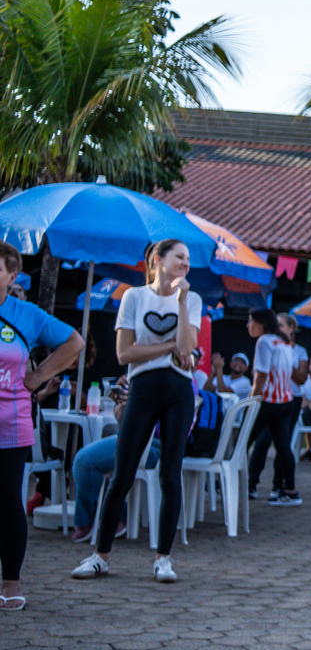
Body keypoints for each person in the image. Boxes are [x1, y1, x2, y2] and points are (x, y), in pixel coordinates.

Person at [70, 238, 203, 584]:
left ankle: (163, 559)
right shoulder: (134, 297)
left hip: (178, 392)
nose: (186, 263)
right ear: (158, 260)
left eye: (188, 258)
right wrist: (170, 347)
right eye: (180, 257)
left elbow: (188, 347)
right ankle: (100, 556)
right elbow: (125, 354)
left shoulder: (192, 299)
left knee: (170, 475)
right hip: (142, 390)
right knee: (122, 474)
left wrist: (182, 302)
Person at [0, 243, 83, 610]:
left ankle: (11, 582)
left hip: (10, 425)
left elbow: (73, 342)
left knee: (7, 503)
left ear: (11, 276)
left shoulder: (25, 315)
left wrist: (38, 377)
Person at [242, 309, 303, 507]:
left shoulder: (264, 341)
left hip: (267, 402)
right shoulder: (284, 342)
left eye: (250, 321)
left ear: (261, 324)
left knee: (241, 442)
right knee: (283, 448)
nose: (248, 325)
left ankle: (231, 483)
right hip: (286, 402)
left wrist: (251, 402)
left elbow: (261, 375)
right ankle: (291, 492)